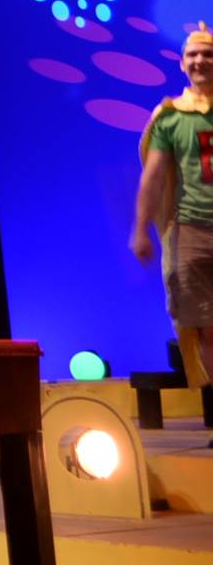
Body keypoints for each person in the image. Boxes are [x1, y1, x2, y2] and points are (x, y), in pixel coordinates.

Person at [131, 21, 213, 386]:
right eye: (192, 54)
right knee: (207, 327)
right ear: (182, 63)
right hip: (191, 232)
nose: (200, 61)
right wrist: (140, 230)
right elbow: (152, 176)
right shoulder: (170, 116)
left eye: (208, 54)